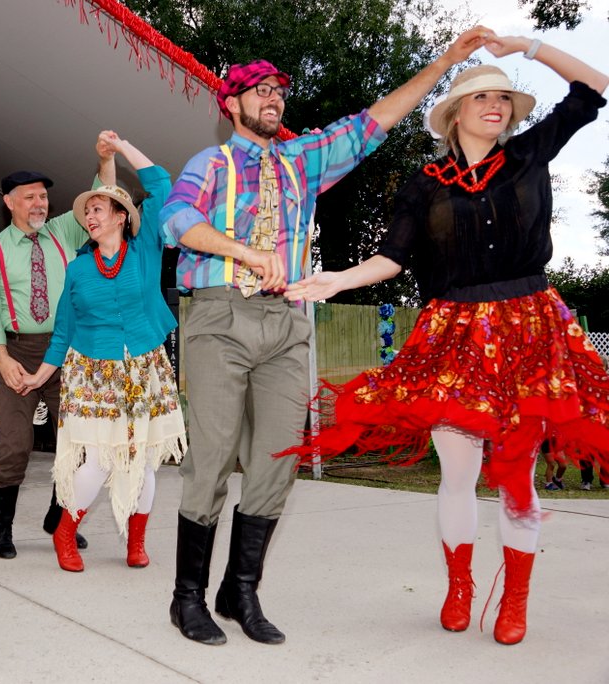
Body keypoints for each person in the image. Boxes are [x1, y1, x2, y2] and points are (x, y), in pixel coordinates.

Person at [159, 27, 494, 647]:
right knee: (211, 459)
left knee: (278, 459)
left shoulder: (301, 160)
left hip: (286, 322)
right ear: (231, 103)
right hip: (219, 316)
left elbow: (374, 122)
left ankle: (240, 590)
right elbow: (176, 221)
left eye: (278, 91)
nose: (272, 98)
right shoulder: (211, 164)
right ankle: (187, 599)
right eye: (259, 90)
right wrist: (244, 252)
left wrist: (447, 61)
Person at [282, 36, 608, 645]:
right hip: (454, 334)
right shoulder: (424, 184)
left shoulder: (530, 153)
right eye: (480, 97)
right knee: (457, 473)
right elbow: (392, 257)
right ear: (455, 113)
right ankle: (459, 587)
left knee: (517, 474)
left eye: (503, 98)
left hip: (528, 330)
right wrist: (339, 279)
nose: (495, 105)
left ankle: (515, 600)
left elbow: (593, 86)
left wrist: (529, 46)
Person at [20, 133, 184, 572]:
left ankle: (136, 541)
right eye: (87, 212)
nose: (90, 217)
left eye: (97, 209)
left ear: (120, 216)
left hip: (144, 369)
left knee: (143, 461)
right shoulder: (77, 269)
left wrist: (123, 146)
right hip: (93, 372)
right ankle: (65, 533)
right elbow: (64, 331)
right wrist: (39, 376)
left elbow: (162, 183)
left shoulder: (146, 249)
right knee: (96, 461)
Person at [0, 133, 117, 559]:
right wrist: (3, 361)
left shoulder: (62, 231)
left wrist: (105, 159)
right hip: (16, 353)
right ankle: (0, 529)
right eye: (30, 197)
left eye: (43, 197)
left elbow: (104, 195)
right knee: (15, 445)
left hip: (67, 351)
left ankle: (59, 521)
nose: (39, 204)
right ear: (9, 202)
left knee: (77, 443)